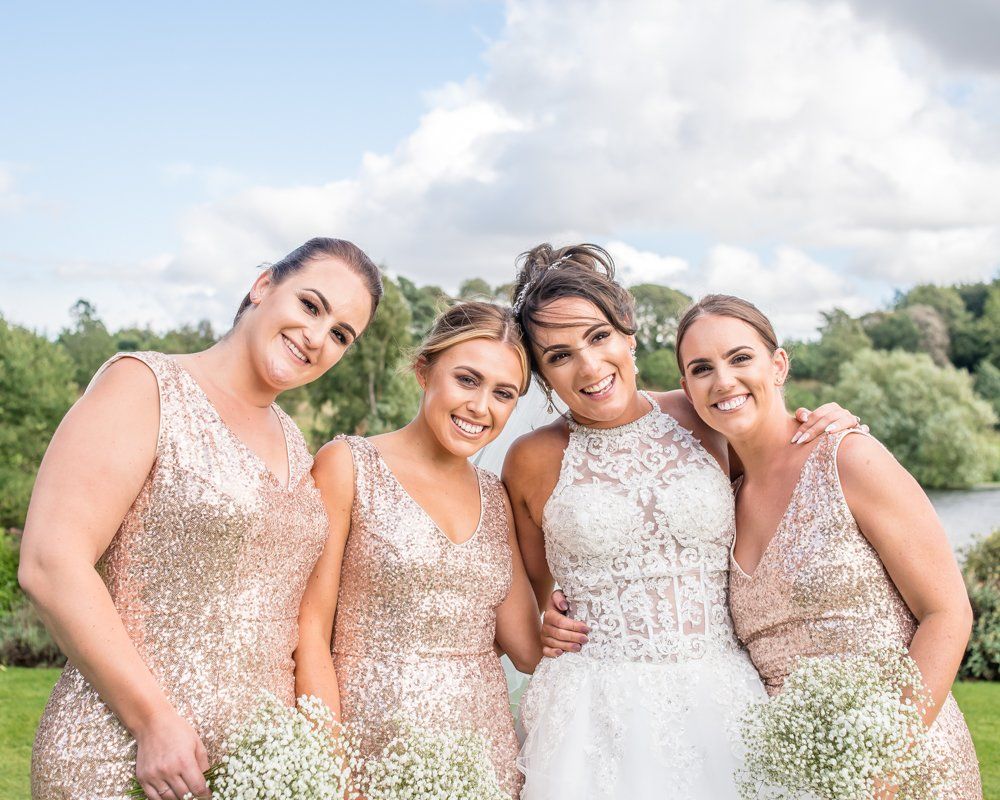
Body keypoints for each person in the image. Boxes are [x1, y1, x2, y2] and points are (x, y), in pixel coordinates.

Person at [21, 238, 383, 800]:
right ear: (263, 286)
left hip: (254, 769)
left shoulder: (292, 438)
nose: (317, 337)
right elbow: (50, 562)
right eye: (311, 306)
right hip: (128, 752)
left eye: (341, 334)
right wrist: (151, 722)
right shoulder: (145, 386)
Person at [503, 243, 862, 799]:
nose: (590, 366)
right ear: (544, 376)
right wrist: (546, 621)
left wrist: (824, 422)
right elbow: (526, 588)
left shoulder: (702, 416)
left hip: (720, 691)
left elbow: (781, 465)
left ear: (629, 334)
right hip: (592, 709)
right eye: (559, 355)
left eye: (599, 337)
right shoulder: (530, 458)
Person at [675, 293, 982, 798]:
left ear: (778, 365)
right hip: (791, 773)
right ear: (686, 388)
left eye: (740, 357)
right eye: (702, 368)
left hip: (906, 760)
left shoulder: (848, 458)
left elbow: (948, 613)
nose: (723, 380)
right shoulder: (718, 499)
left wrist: (882, 762)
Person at [294, 301, 542, 798]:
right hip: (370, 747)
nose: (481, 407)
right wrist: (333, 767)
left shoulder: (495, 497)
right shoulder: (347, 464)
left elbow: (527, 648)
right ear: (424, 370)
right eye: (467, 380)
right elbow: (310, 628)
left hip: (481, 754)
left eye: (504, 393)